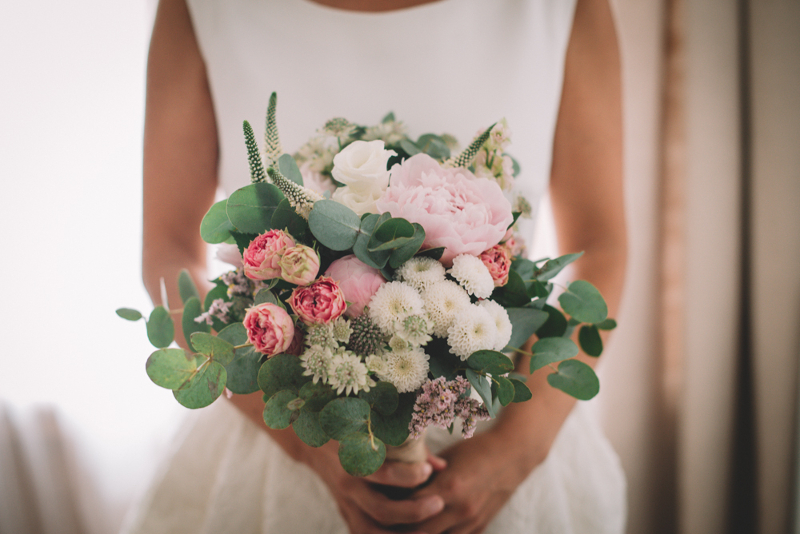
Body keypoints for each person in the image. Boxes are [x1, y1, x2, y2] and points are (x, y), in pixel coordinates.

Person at [129, 0, 627, 532]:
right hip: (290, 428)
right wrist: (302, 441)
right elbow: (169, 253)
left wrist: (515, 452)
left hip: (502, 424)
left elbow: (600, 244)